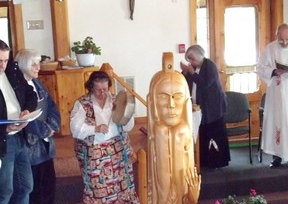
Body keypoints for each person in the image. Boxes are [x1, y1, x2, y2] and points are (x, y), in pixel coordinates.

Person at [70, 71, 139, 204]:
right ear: (91, 87)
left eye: (105, 89)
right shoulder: (82, 103)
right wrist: (95, 128)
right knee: (98, 187)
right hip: (95, 152)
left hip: (117, 149)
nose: (102, 93)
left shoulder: (116, 100)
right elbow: (75, 129)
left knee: (122, 184)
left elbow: (128, 127)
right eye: (98, 90)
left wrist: (127, 114)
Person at [147, 53, 200, 204]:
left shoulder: (183, 131)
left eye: (177, 96)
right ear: (154, 103)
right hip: (160, 197)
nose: (171, 105)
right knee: (161, 130)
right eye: (163, 97)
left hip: (182, 193)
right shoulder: (157, 132)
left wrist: (192, 195)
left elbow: (189, 176)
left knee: (179, 130)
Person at [15, 49, 61, 204]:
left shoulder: (37, 83)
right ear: (22, 66)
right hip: (30, 146)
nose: (38, 67)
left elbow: (51, 106)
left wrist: (53, 124)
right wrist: (44, 130)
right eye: (33, 64)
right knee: (34, 190)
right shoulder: (17, 89)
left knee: (49, 186)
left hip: (46, 144)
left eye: (38, 63)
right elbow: (24, 116)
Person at [180, 45, 230, 168]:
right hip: (200, 107)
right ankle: (204, 161)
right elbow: (188, 81)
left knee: (215, 133)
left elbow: (205, 83)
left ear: (199, 56)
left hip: (214, 107)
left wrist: (191, 72)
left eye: (192, 59)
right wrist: (185, 73)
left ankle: (218, 161)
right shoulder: (195, 67)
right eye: (189, 60)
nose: (191, 62)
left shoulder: (210, 65)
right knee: (203, 134)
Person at [0, 40, 37, 204]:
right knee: (5, 190)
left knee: (26, 186)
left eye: (5, 60)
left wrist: (27, 111)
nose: (2, 65)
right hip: (4, 140)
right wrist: (5, 129)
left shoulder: (12, 72)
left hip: (20, 136)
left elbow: (31, 94)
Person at [256, 23, 288, 168]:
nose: (285, 42)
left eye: (287, 39)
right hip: (276, 91)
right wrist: (274, 72)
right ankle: (277, 156)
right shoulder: (270, 48)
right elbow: (260, 67)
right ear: (277, 36)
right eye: (282, 40)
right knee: (278, 121)